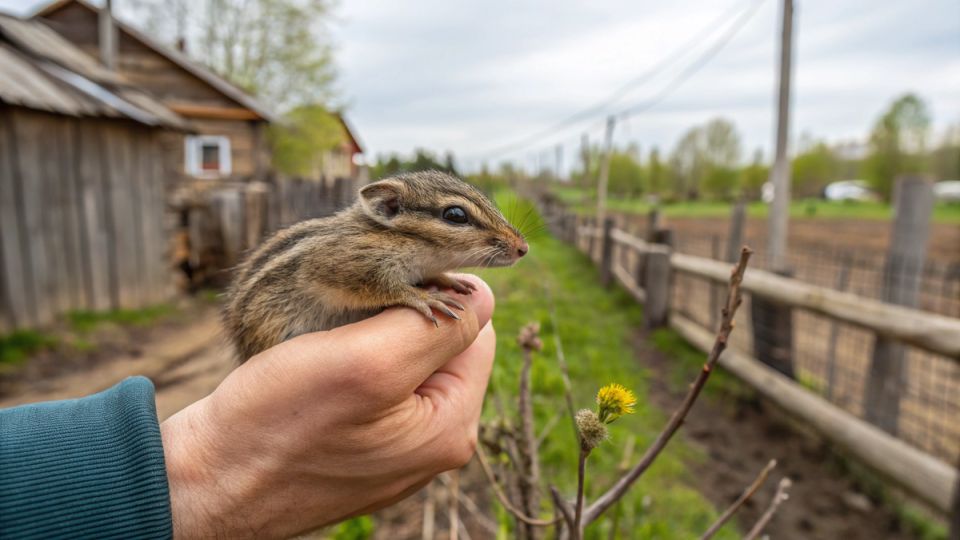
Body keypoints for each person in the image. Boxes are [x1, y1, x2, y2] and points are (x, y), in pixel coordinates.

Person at [0, 275, 496, 539]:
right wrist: (210, 483)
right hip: (278, 325)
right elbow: (347, 278)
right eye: (456, 217)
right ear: (386, 209)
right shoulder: (363, 252)